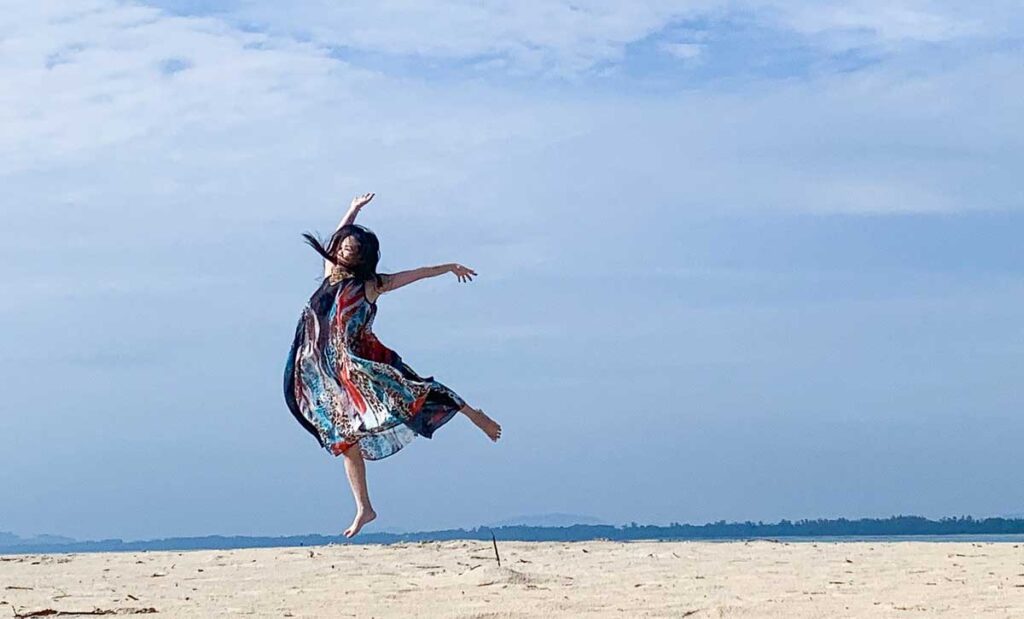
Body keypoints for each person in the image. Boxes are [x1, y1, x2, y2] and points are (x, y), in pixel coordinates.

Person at [283, 192, 502, 538]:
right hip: (328, 371)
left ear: (364, 255)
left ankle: (474, 415)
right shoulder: (331, 274)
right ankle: (364, 508)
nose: (346, 249)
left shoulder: (372, 285)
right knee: (344, 440)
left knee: (419, 390)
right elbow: (339, 234)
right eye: (343, 246)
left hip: (362, 363)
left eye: (354, 248)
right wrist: (352, 210)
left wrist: (448, 267)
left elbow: (415, 274)